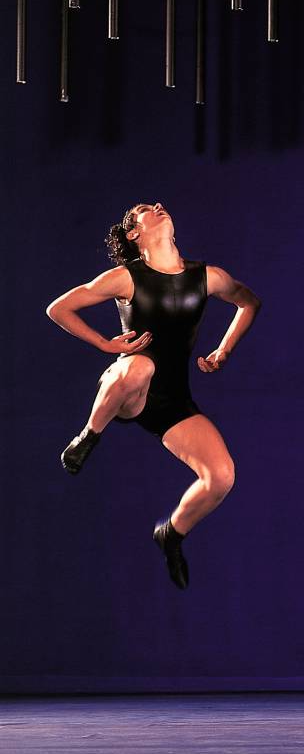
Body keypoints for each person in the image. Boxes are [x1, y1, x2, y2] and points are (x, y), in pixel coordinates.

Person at [46, 203, 261, 590]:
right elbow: (59, 308)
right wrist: (103, 344)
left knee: (221, 477)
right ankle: (88, 436)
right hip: (129, 386)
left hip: (172, 402)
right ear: (134, 234)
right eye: (146, 209)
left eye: (160, 205)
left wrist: (224, 350)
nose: (159, 207)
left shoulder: (207, 277)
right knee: (143, 366)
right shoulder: (126, 278)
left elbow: (248, 302)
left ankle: (172, 534)